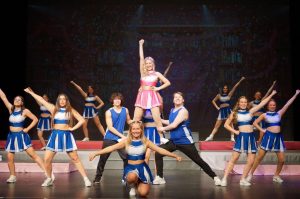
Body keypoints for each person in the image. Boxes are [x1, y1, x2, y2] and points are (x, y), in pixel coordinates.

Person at [89, 121, 182, 197]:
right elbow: (111, 148)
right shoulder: (126, 141)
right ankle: (133, 185)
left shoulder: (145, 141)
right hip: (131, 168)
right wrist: (96, 153)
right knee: (132, 177)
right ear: (130, 130)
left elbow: (160, 150)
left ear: (141, 130)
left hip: (142, 168)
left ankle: (138, 183)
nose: (136, 131)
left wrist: (175, 156)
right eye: (133, 129)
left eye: (138, 129)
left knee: (143, 193)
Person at [24, 87, 92, 187]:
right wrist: (31, 92)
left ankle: (86, 179)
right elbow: (41, 100)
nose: (62, 101)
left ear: (67, 101)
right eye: (60, 99)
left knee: (75, 158)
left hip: (66, 135)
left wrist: (72, 128)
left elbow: (81, 120)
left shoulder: (70, 110)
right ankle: (49, 178)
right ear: (58, 101)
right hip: (55, 135)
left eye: (64, 99)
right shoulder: (53, 109)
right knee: (47, 159)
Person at [154, 92, 222, 186]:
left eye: (179, 97)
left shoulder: (183, 111)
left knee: (198, 161)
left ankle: (215, 177)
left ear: (183, 100)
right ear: (173, 100)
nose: (177, 98)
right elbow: (170, 121)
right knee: (158, 153)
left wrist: (162, 128)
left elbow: (174, 125)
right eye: (175, 97)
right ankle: (160, 177)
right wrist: (160, 120)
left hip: (185, 142)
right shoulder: (172, 110)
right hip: (174, 142)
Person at [220, 90, 277, 186]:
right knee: (234, 159)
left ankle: (243, 179)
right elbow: (226, 125)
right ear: (239, 103)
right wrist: (236, 132)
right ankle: (224, 178)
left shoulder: (250, 112)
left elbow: (262, 103)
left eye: (245, 102)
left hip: (251, 137)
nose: (243, 104)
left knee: (251, 161)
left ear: (247, 103)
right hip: (241, 137)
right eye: (241, 102)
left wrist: (271, 94)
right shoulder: (234, 113)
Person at [246, 89, 300, 184]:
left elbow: (287, 104)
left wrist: (296, 94)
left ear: (275, 106)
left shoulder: (279, 113)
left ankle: (276, 175)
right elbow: (254, 123)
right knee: (259, 158)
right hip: (268, 137)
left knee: (282, 160)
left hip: (278, 138)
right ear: (268, 106)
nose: (272, 106)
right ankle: (250, 174)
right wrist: (262, 130)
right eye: (270, 105)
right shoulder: (264, 115)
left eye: (274, 105)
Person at [0, 88, 45, 183]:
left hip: (21, 135)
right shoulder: (11, 109)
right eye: (15, 99)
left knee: (33, 155)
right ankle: (12, 176)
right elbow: (3, 97)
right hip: (11, 136)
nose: (17, 100)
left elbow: (35, 119)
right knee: (10, 158)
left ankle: (47, 173)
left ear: (22, 103)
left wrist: (27, 129)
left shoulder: (25, 111)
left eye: (19, 100)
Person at [133, 39, 171, 139]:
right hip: (142, 97)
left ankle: (162, 138)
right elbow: (141, 58)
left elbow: (168, 82)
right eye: (146, 63)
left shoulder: (157, 73)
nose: (148, 65)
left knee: (157, 119)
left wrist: (158, 88)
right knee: (136, 119)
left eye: (150, 63)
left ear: (153, 64)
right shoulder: (143, 73)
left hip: (153, 97)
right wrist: (140, 45)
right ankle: (132, 138)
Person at [93, 92, 132, 184]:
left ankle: (125, 177)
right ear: (112, 101)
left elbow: (129, 120)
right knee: (103, 158)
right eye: (115, 99)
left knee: (126, 157)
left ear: (121, 100)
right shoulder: (109, 112)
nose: (117, 100)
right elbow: (110, 127)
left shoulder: (125, 110)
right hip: (110, 137)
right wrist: (123, 136)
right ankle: (98, 177)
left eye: (119, 99)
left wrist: (136, 121)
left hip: (120, 139)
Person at [205, 77, 246, 141]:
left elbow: (235, 87)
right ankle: (211, 136)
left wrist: (240, 80)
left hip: (228, 111)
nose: (225, 89)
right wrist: (217, 108)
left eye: (226, 88)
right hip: (221, 111)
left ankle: (232, 137)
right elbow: (213, 101)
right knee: (217, 125)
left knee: (230, 124)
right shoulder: (219, 95)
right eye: (224, 88)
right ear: (222, 89)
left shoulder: (229, 95)